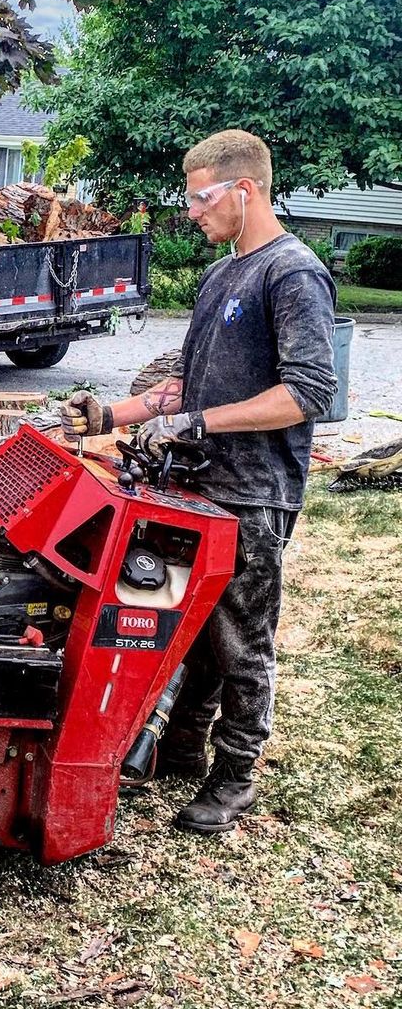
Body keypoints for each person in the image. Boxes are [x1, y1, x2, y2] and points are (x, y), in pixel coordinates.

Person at [61, 130, 337, 833]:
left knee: (242, 639)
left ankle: (237, 774)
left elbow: (309, 391)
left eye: (201, 196)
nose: (191, 211)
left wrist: (205, 424)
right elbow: (185, 387)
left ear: (244, 191)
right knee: (186, 624)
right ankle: (180, 747)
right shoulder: (221, 276)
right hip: (198, 482)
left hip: (254, 491)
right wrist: (109, 414)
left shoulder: (293, 272)